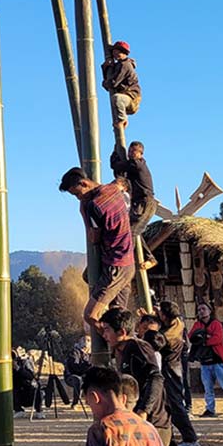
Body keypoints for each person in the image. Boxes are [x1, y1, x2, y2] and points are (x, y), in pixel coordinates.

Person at [59, 167, 135, 331]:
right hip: (128, 261)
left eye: (77, 194)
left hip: (115, 266)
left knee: (90, 315)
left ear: (84, 183)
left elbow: (94, 238)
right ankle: (122, 344)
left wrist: (84, 213)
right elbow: (121, 183)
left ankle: (114, 340)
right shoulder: (114, 188)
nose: (78, 198)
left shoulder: (94, 206)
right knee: (118, 315)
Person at [99, 308, 172, 446]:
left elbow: (156, 378)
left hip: (153, 423)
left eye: (107, 330)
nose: (104, 335)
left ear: (122, 332)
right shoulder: (121, 351)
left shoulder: (139, 347)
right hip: (136, 422)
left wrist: (143, 411)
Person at [78, 366, 170, 446]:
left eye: (89, 404)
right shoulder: (149, 428)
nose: (92, 410)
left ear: (95, 397)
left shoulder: (101, 430)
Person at [156, 301, 200, 446]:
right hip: (176, 366)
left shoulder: (167, 336)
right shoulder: (179, 323)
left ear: (164, 316)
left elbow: (155, 340)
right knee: (169, 403)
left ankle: (190, 438)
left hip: (169, 368)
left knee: (175, 404)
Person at [110, 141, 157, 270]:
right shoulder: (132, 168)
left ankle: (124, 262)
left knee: (129, 232)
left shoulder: (137, 164)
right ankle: (150, 258)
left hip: (145, 203)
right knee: (133, 230)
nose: (131, 153)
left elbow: (117, 166)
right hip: (139, 204)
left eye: (134, 151)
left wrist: (116, 150)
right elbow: (119, 172)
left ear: (141, 154)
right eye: (130, 151)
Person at [188, 303, 223, 417]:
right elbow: (192, 337)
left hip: (217, 360)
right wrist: (206, 337)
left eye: (204, 309)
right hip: (205, 362)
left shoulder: (216, 324)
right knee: (207, 388)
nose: (201, 311)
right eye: (199, 309)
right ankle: (210, 409)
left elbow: (218, 338)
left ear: (210, 311)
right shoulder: (197, 324)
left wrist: (204, 340)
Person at [101, 40, 141, 130]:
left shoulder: (125, 65)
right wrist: (105, 67)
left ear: (122, 52)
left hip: (131, 98)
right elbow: (109, 82)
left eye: (117, 51)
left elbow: (113, 83)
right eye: (114, 51)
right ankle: (121, 119)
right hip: (124, 96)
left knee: (117, 98)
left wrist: (105, 83)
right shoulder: (118, 65)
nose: (114, 53)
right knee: (116, 98)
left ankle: (122, 120)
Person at [65, 336, 92, 408]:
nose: (86, 342)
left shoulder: (91, 354)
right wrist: (87, 366)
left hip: (85, 376)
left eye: (89, 340)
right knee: (78, 380)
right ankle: (75, 403)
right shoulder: (74, 352)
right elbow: (75, 367)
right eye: (84, 340)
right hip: (72, 376)